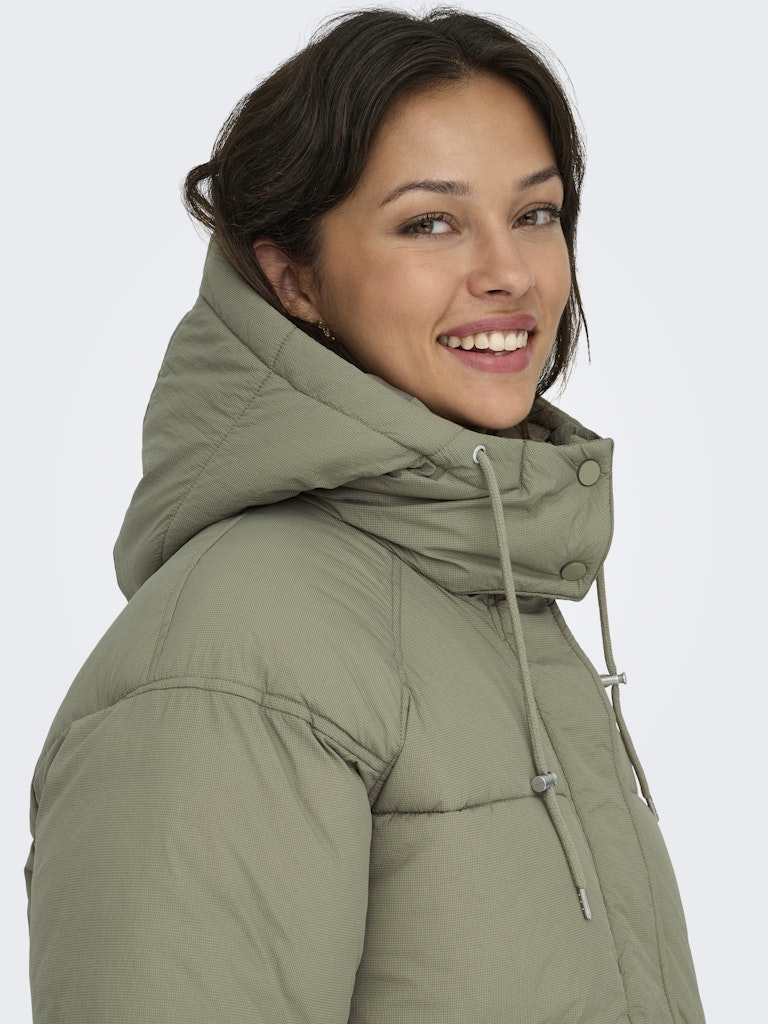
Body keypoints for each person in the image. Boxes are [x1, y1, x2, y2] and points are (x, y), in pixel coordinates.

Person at [26, 8, 706, 1023]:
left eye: (535, 213)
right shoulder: (238, 653)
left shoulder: (488, 585)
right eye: (430, 223)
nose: (511, 273)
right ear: (294, 279)